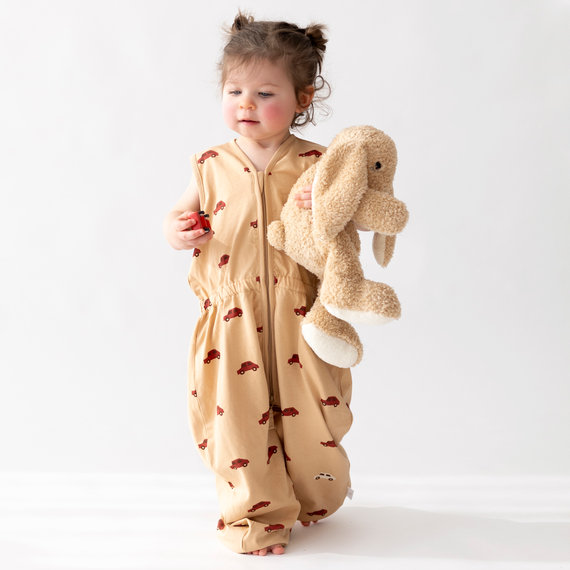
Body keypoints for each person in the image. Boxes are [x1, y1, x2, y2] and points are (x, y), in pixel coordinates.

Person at [164, 12, 353, 556]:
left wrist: (328, 206)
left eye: (264, 93)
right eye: (235, 91)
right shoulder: (210, 164)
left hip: (304, 318)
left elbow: (349, 226)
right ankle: (258, 518)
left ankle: (312, 496)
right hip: (232, 321)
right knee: (239, 425)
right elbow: (176, 218)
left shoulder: (319, 164)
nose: (245, 104)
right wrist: (179, 230)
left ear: (302, 98)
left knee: (315, 418)